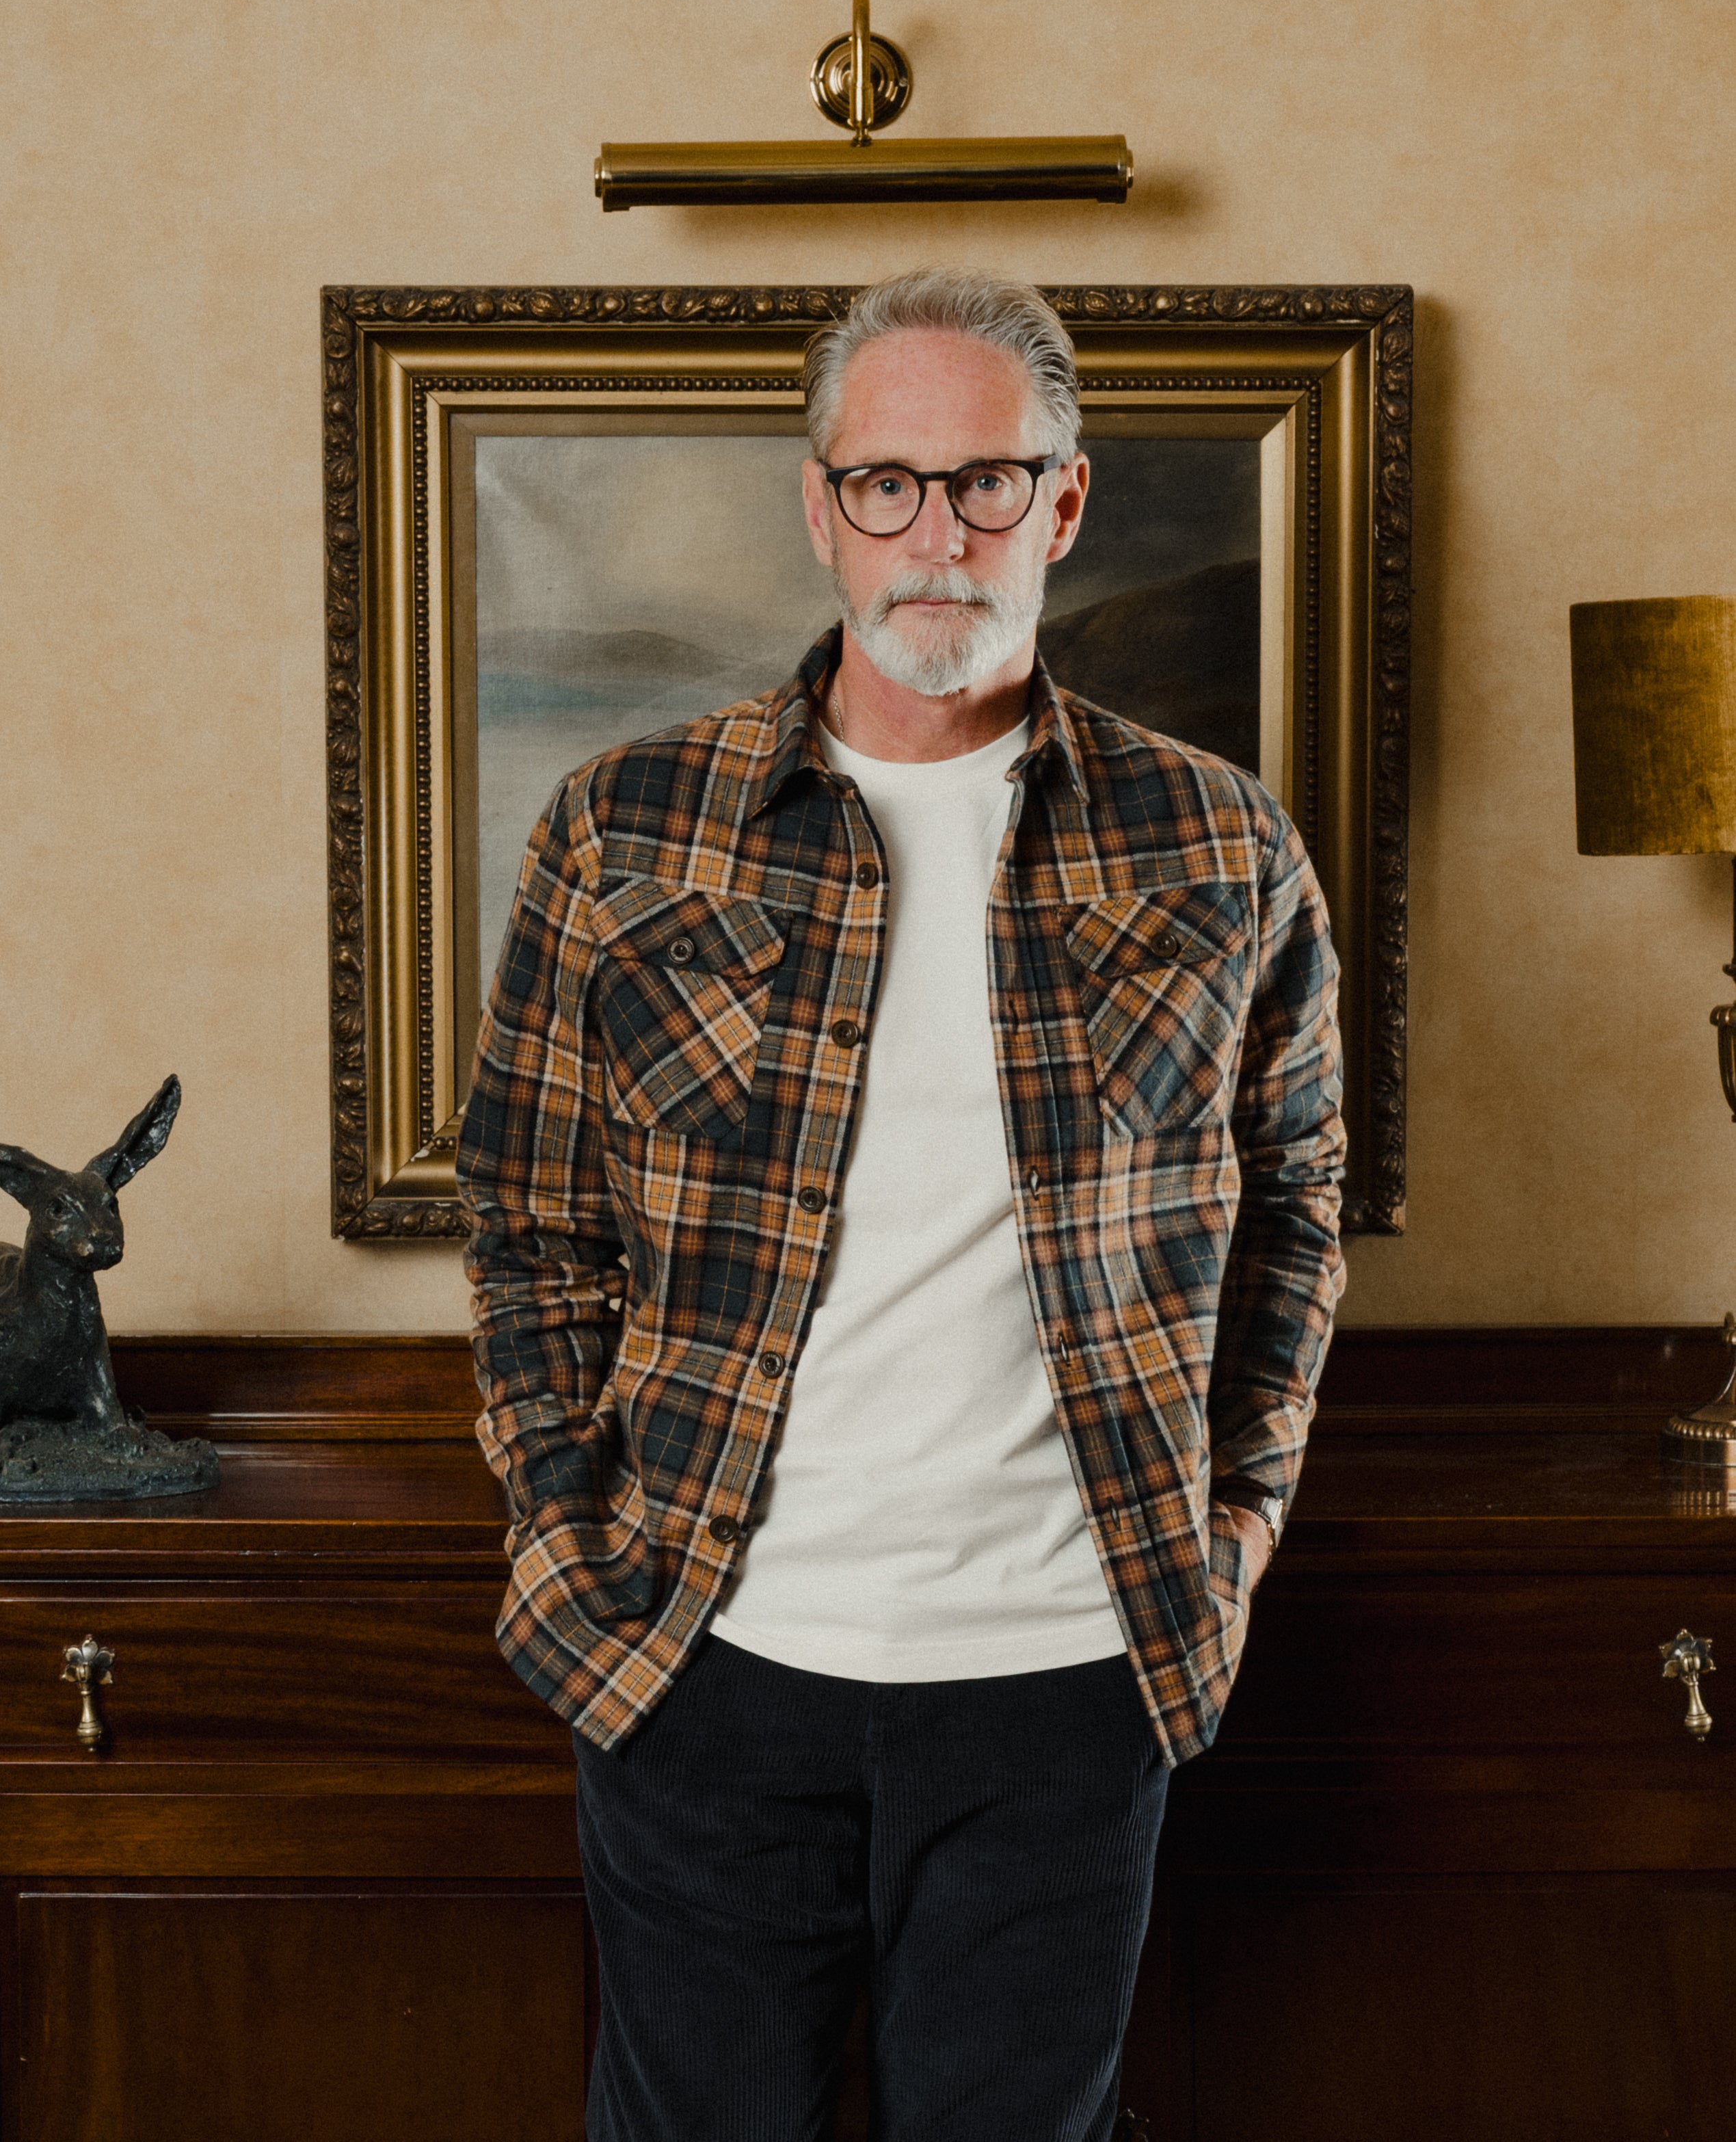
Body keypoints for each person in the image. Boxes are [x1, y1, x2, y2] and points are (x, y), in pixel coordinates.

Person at [457, 267, 1346, 2142]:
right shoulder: (626, 831)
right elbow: (526, 1220)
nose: (934, 534)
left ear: (1065, 501)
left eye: (986, 484)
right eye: (886, 484)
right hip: (698, 1658)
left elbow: (1293, 1209)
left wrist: (1237, 1528)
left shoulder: (1218, 844)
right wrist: (566, 1527)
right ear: (819, 504)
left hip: (1067, 1675)